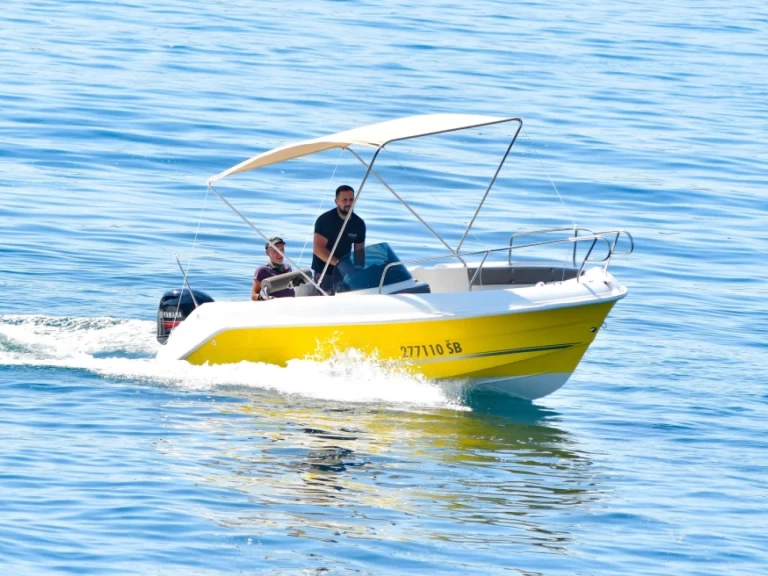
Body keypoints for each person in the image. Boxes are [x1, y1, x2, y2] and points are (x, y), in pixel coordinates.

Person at [312, 184, 366, 294]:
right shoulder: (325, 220)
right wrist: (341, 264)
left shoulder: (359, 224)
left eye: (351, 200)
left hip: (345, 273)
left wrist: (359, 271)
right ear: (336, 202)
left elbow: (359, 252)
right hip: (325, 272)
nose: (348, 203)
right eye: (344, 200)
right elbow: (318, 249)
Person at [252, 237, 295, 301]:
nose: (280, 253)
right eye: (276, 250)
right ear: (267, 253)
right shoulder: (262, 270)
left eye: (282, 249)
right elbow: (254, 295)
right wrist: (266, 298)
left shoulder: (288, 268)